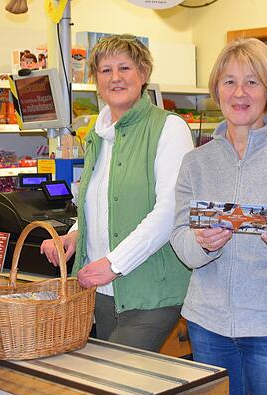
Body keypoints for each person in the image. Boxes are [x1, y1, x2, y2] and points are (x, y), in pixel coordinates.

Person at [170, 38, 267, 395]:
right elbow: (179, 233)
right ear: (216, 91)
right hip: (208, 325)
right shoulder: (196, 162)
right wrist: (200, 244)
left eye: (251, 81)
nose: (239, 93)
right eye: (229, 82)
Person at [40, 34, 193, 351]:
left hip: (150, 289)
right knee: (114, 390)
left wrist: (114, 263)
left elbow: (170, 210)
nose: (116, 77)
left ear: (143, 74)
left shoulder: (168, 127)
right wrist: (75, 233)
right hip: (103, 291)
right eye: (105, 70)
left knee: (116, 379)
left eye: (125, 67)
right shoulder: (99, 132)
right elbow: (98, 200)